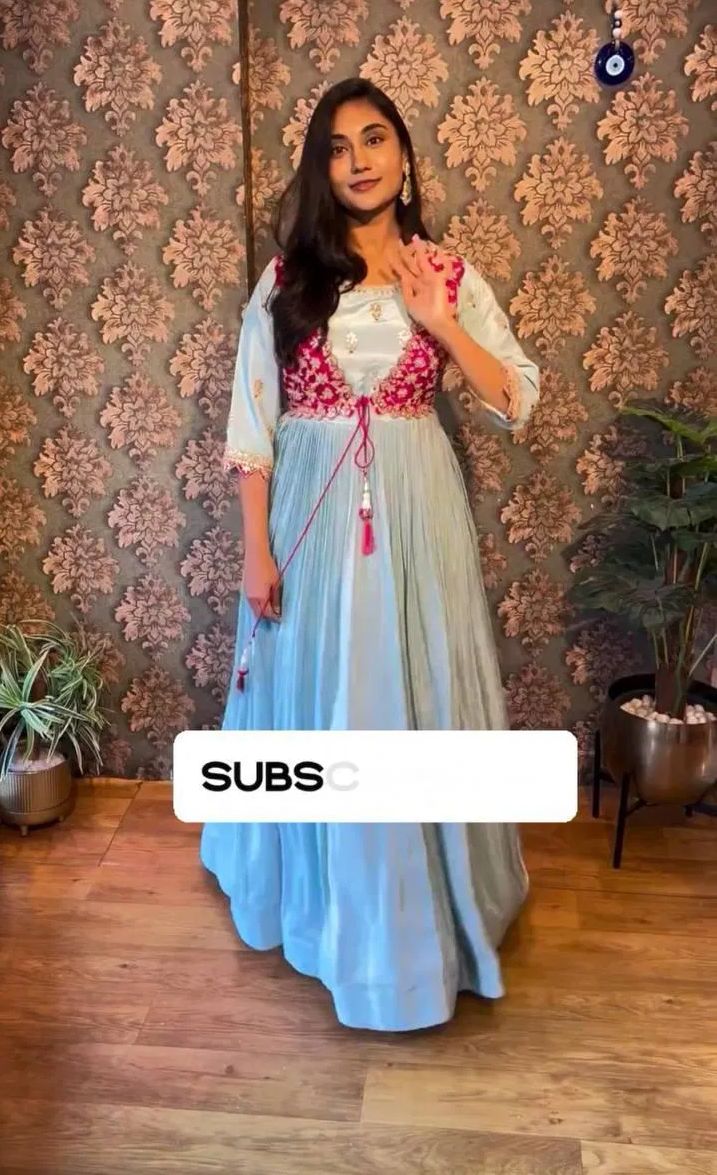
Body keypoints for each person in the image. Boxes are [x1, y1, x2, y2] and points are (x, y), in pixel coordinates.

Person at [200, 78, 540, 1032]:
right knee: (324, 701)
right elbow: (253, 423)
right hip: (310, 514)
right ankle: (324, 907)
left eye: (375, 138)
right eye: (338, 147)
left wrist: (439, 323)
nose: (358, 160)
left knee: (409, 693)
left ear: (403, 154)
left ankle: (420, 927)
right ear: (323, 168)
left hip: (416, 513)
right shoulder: (288, 280)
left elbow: (515, 402)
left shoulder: (448, 275)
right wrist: (255, 550)